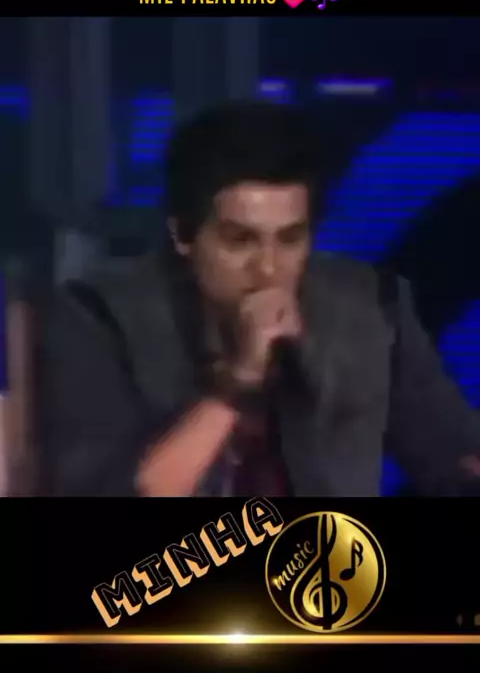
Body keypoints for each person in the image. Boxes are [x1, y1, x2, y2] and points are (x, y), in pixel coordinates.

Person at [37, 101, 480, 497]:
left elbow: (452, 454)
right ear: (183, 235)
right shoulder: (99, 319)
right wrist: (238, 382)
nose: (268, 269)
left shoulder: (370, 310)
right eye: (240, 241)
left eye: (290, 239)